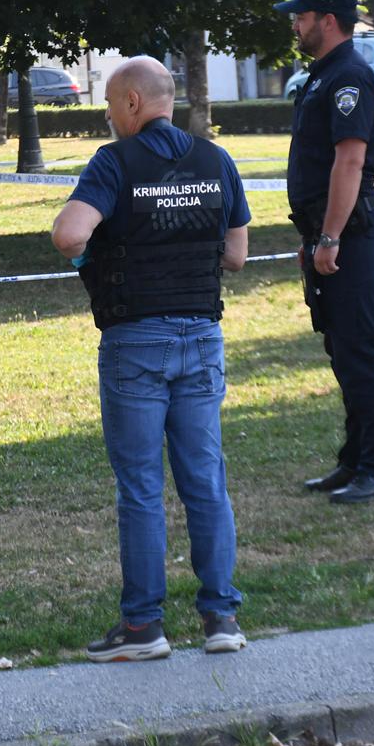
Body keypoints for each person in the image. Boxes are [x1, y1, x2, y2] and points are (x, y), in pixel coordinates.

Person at [51, 56, 251, 662]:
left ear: (134, 102)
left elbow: (68, 235)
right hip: (202, 337)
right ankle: (221, 619)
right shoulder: (216, 160)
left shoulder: (115, 162)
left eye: (111, 104)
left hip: (137, 340)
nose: (109, 116)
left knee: (140, 486)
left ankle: (144, 628)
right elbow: (237, 256)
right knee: (205, 480)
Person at [275, 0, 374, 505]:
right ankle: (354, 462)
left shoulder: (349, 77)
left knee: (364, 351)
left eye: (301, 15)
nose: (295, 23)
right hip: (328, 236)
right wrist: (312, 238)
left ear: (327, 20)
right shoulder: (322, 77)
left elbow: (349, 162)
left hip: (351, 235)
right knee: (344, 352)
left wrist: (329, 235)